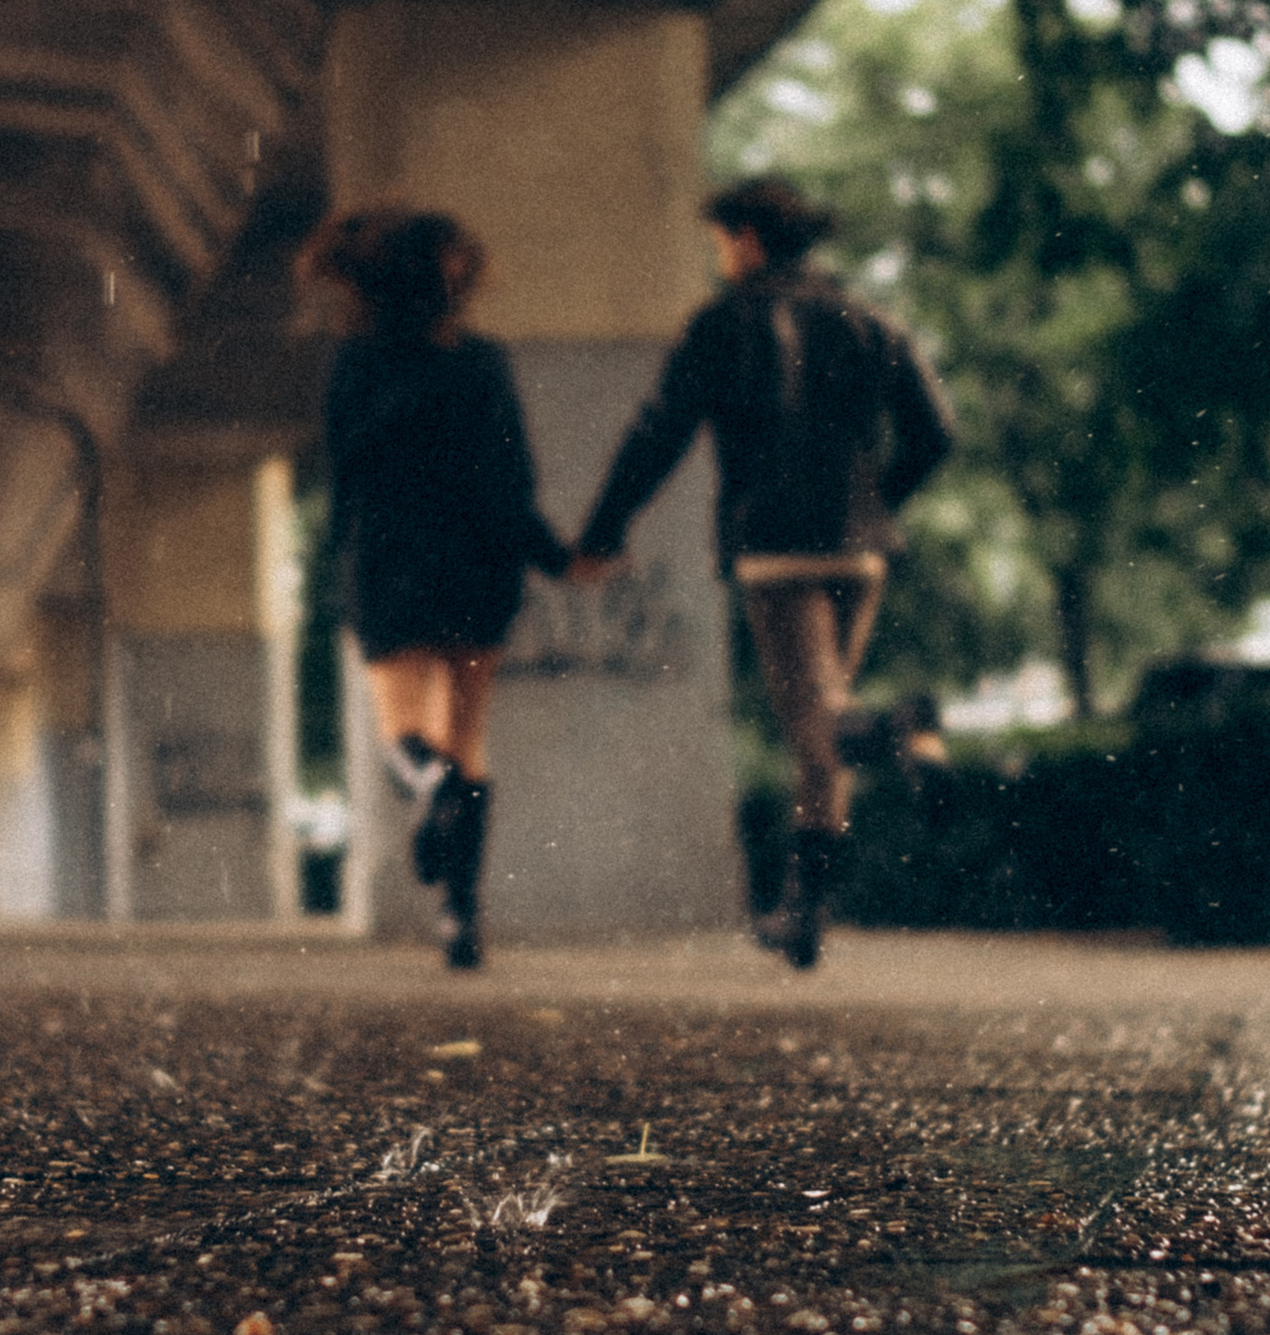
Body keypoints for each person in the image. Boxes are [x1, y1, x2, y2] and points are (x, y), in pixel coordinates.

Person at [570, 175, 953, 967]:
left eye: (719, 242)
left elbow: (659, 432)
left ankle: (897, 728)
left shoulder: (722, 323)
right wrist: (876, 500)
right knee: (823, 727)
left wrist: (604, 528)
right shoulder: (870, 319)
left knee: (818, 722)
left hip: (775, 550)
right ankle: (802, 915)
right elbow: (935, 432)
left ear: (745, 238)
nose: (720, 258)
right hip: (859, 548)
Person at [305, 206, 570, 969]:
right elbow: (511, 479)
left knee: (404, 733)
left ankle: (430, 785)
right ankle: (462, 919)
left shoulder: (353, 363)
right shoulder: (483, 361)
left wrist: (339, 577)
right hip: (479, 563)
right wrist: (553, 556)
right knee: (469, 737)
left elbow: (345, 482)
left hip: (390, 561)